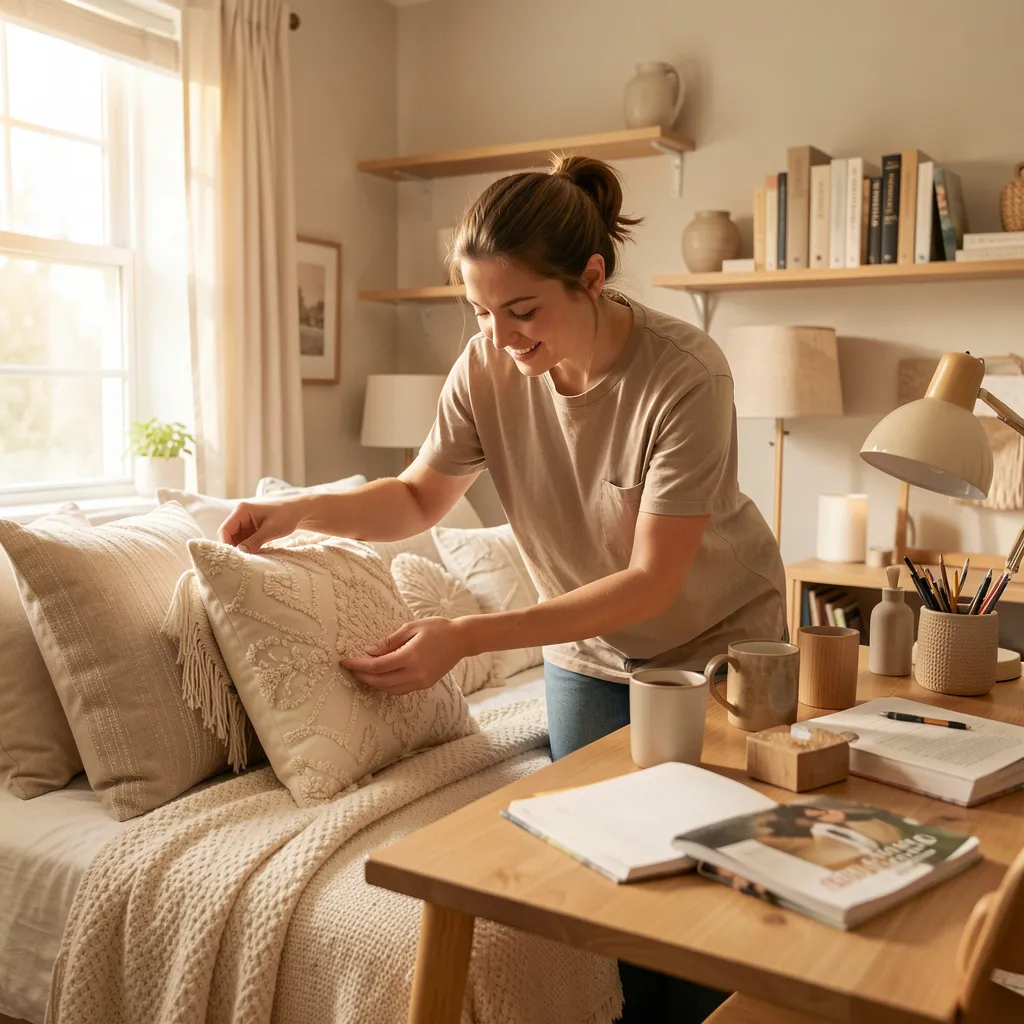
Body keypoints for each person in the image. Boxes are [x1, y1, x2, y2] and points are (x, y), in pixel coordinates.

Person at [220, 154, 786, 1023]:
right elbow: (416, 497)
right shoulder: (486, 366)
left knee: (709, 885)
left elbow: (650, 580)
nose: (501, 336)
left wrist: (465, 634)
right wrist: (299, 509)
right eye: (481, 312)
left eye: (523, 311)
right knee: (605, 880)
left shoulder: (685, 373)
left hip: (718, 649)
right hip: (591, 656)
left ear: (592, 278)